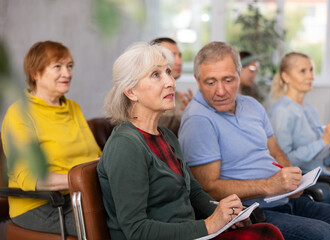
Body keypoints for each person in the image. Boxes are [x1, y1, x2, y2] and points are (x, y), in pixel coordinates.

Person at [97, 42, 284, 240]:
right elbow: (136, 231)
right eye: (156, 75)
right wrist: (208, 225)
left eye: (168, 72)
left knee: (268, 232)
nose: (170, 81)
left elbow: (194, 193)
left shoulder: (166, 136)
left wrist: (224, 212)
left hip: (191, 233)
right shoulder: (126, 145)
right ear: (131, 92)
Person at [178, 41, 330, 240]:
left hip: (284, 199)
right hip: (251, 213)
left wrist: (293, 182)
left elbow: (276, 152)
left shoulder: (252, 105)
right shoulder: (198, 119)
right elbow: (208, 188)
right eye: (210, 82)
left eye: (228, 80)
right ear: (197, 80)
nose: (220, 91)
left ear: (240, 76)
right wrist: (269, 185)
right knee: (323, 234)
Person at [1, 41, 102, 236]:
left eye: (69, 66)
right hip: (43, 204)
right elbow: (31, 178)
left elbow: (95, 155)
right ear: (35, 73)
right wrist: (82, 181)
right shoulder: (19, 114)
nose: (67, 73)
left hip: (81, 197)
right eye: (58, 66)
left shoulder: (73, 107)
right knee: (115, 225)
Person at [268, 52, 330, 208]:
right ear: (286, 77)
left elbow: (320, 160)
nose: (311, 76)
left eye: (311, 70)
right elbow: (284, 162)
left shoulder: (311, 110)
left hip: (322, 174)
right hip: (304, 182)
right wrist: (323, 141)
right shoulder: (281, 112)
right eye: (303, 71)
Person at [150, 37, 193, 136]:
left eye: (179, 56)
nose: (180, 62)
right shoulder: (147, 97)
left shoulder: (181, 99)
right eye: (172, 56)